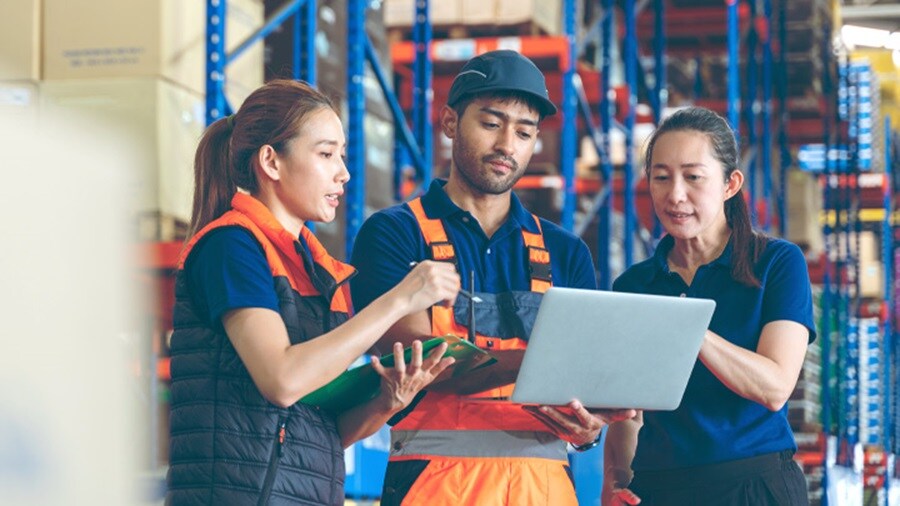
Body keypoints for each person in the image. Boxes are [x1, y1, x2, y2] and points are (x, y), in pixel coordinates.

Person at [350, 50, 634, 506]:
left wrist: (589, 428)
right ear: (449, 122)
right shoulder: (393, 235)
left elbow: (585, 382)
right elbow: (420, 363)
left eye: (524, 132)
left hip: (545, 490)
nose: (507, 145)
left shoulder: (566, 253)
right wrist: (546, 360)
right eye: (491, 123)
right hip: (433, 489)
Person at [165, 79, 463, 505]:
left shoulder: (320, 272)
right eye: (326, 154)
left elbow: (322, 433)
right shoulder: (231, 245)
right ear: (271, 161)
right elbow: (283, 380)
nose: (343, 172)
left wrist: (388, 400)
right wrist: (399, 299)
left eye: (341, 155)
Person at [603, 107, 816, 506]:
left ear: (730, 184)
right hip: (658, 487)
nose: (675, 194)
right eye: (661, 177)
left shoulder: (776, 263)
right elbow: (629, 411)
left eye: (693, 177)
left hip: (753, 486)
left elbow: (774, 388)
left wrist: (687, 329)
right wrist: (616, 480)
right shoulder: (634, 285)